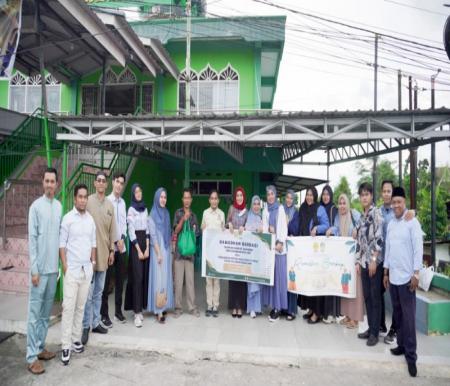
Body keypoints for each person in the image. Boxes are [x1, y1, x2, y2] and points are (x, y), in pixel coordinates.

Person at [26, 168, 62, 375]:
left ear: (57, 184)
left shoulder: (58, 207)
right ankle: (31, 357)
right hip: (38, 271)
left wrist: (57, 267)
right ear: (43, 183)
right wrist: (34, 269)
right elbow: (32, 240)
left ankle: (39, 348)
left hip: (52, 270)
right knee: (33, 314)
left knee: (44, 315)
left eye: (52, 181)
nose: (49, 185)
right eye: (46, 181)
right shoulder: (35, 208)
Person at [383, 186, 422, 378]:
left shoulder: (412, 222)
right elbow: (389, 250)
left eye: (399, 202)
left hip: (407, 278)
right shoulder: (391, 223)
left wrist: (416, 273)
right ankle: (400, 345)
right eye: (394, 202)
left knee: (409, 317)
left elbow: (418, 249)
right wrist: (385, 272)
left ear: (404, 203)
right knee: (397, 315)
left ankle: (411, 356)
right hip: (393, 277)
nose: (396, 205)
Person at [59, 184, 96, 366]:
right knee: (68, 307)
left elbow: (93, 244)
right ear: (75, 199)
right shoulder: (67, 219)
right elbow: (62, 245)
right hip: (72, 271)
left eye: (85, 197)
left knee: (80, 307)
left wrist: (93, 264)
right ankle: (65, 346)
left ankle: (75, 340)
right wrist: (65, 267)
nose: (82, 199)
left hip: (86, 270)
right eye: (80, 196)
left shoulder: (90, 220)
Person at [82, 171, 117, 345]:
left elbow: (113, 231)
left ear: (106, 184)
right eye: (99, 181)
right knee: (87, 293)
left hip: (104, 255)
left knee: (98, 292)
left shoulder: (110, 205)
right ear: (95, 183)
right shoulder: (87, 201)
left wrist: (112, 251)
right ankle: (85, 326)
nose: (102, 183)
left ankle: (95, 322)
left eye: (104, 181)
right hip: (89, 256)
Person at [378, 180, 415, 344]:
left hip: (400, 267)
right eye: (384, 191)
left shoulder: (404, 216)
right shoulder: (379, 212)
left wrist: (416, 272)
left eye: (389, 191)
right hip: (383, 261)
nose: (386, 194)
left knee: (401, 306)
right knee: (384, 297)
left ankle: (395, 331)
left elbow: (415, 245)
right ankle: (381, 326)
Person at [289, 186, 329, 324]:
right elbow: (299, 225)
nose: (309, 197)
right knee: (307, 279)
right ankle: (311, 309)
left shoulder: (320, 209)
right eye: (307, 195)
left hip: (316, 251)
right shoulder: (303, 208)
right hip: (304, 249)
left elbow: (326, 225)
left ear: (315, 196)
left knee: (315, 279)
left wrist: (317, 228)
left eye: (311, 195)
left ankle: (317, 313)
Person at [326, 193, 363, 329]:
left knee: (355, 287)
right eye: (340, 203)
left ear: (348, 203)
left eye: (344, 203)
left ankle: (355, 318)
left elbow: (363, 226)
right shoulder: (337, 217)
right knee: (345, 285)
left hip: (355, 257)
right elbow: (336, 228)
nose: (342, 206)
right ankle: (347, 315)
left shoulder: (355, 214)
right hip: (344, 258)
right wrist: (331, 229)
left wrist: (356, 230)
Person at [355, 182, 384, 347]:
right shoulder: (362, 216)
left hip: (374, 264)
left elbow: (379, 239)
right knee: (367, 297)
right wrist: (358, 261)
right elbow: (360, 241)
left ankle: (375, 332)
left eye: (367, 194)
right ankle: (370, 328)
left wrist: (373, 260)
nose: (364, 197)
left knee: (375, 297)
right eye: (362, 195)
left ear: (371, 196)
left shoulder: (376, 213)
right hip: (364, 263)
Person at [100, 172, 127, 328]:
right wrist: (116, 241)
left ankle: (118, 312)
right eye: (117, 181)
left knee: (119, 282)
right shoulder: (107, 201)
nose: (119, 185)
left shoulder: (122, 203)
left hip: (121, 248)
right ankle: (104, 315)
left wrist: (122, 238)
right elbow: (107, 225)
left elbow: (123, 224)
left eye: (121, 183)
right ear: (112, 183)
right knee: (106, 283)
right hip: (110, 249)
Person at [124, 184, 150, 328]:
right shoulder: (131, 209)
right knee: (137, 278)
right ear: (133, 194)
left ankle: (140, 309)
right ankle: (136, 312)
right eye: (136, 192)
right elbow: (131, 231)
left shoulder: (145, 208)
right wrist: (139, 250)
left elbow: (147, 228)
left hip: (144, 243)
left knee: (143, 277)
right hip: (135, 246)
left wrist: (146, 248)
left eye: (140, 191)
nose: (138, 193)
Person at [261, 185, 288, 322]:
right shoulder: (265, 209)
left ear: (276, 195)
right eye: (268, 194)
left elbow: (283, 228)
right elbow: (265, 228)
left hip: (279, 249)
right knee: (272, 279)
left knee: (278, 280)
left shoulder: (280, 209)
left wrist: (280, 241)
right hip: (270, 248)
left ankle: (278, 308)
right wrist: (269, 232)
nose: (270, 196)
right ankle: (274, 305)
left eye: (272, 194)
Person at [147, 187, 174, 323]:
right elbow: (153, 237)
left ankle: (163, 305)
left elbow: (168, 233)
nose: (163, 199)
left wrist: (169, 249)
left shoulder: (167, 213)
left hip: (166, 250)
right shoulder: (152, 215)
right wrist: (158, 253)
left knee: (165, 279)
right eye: (161, 197)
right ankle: (158, 311)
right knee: (158, 279)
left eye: (165, 197)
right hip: (158, 252)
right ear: (157, 198)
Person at [172, 188, 200, 318]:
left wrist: (195, 231)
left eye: (189, 197)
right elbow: (176, 231)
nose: (187, 200)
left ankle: (192, 308)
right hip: (179, 253)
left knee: (190, 282)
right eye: (185, 197)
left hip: (190, 255)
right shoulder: (178, 213)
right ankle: (178, 308)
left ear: (191, 200)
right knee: (178, 282)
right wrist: (183, 219)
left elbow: (197, 235)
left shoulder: (194, 216)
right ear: (182, 199)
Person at [201, 189, 226, 317]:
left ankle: (215, 305)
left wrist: (224, 229)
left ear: (218, 200)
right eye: (212, 198)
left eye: (216, 198)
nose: (214, 200)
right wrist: (202, 228)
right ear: (209, 200)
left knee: (217, 281)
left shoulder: (222, 214)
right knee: (208, 281)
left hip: (218, 253)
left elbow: (223, 233)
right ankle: (209, 305)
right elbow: (202, 228)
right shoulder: (205, 213)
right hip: (208, 252)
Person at [227, 187, 248, 318]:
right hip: (232, 249)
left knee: (242, 279)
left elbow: (250, 225)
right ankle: (233, 306)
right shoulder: (231, 209)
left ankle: (240, 306)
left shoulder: (247, 210)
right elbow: (226, 222)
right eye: (237, 195)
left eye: (241, 195)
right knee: (233, 278)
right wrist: (229, 224)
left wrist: (244, 227)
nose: (239, 197)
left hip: (243, 250)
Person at [320, 185, 340, 324]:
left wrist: (331, 229)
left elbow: (337, 226)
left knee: (331, 279)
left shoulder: (334, 209)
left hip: (332, 248)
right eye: (324, 194)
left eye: (328, 194)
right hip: (320, 249)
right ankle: (322, 311)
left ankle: (331, 313)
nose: (325, 196)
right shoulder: (319, 208)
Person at [245, 195, 263, 318]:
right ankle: (251, 308)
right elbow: (247, 229)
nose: (256, 206)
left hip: (260, 253)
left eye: (258, 204)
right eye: (254, 204)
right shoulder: (249, 216)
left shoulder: (263, 216)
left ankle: (258, 307)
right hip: (250, 253)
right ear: (251, 205)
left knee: (258, 279)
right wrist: (257, 228)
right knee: (251, 280)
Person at [284, 189, 298, 321]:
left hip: (292, 249)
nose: (289, 200)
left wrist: (288, 224)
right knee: (283, 278)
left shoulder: (296, 212)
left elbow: (296, 229)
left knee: (292, 277)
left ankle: (292, 310)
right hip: (282, 249)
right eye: (287, 198)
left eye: (291, 198)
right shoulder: (281, 210)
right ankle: (283, 307)